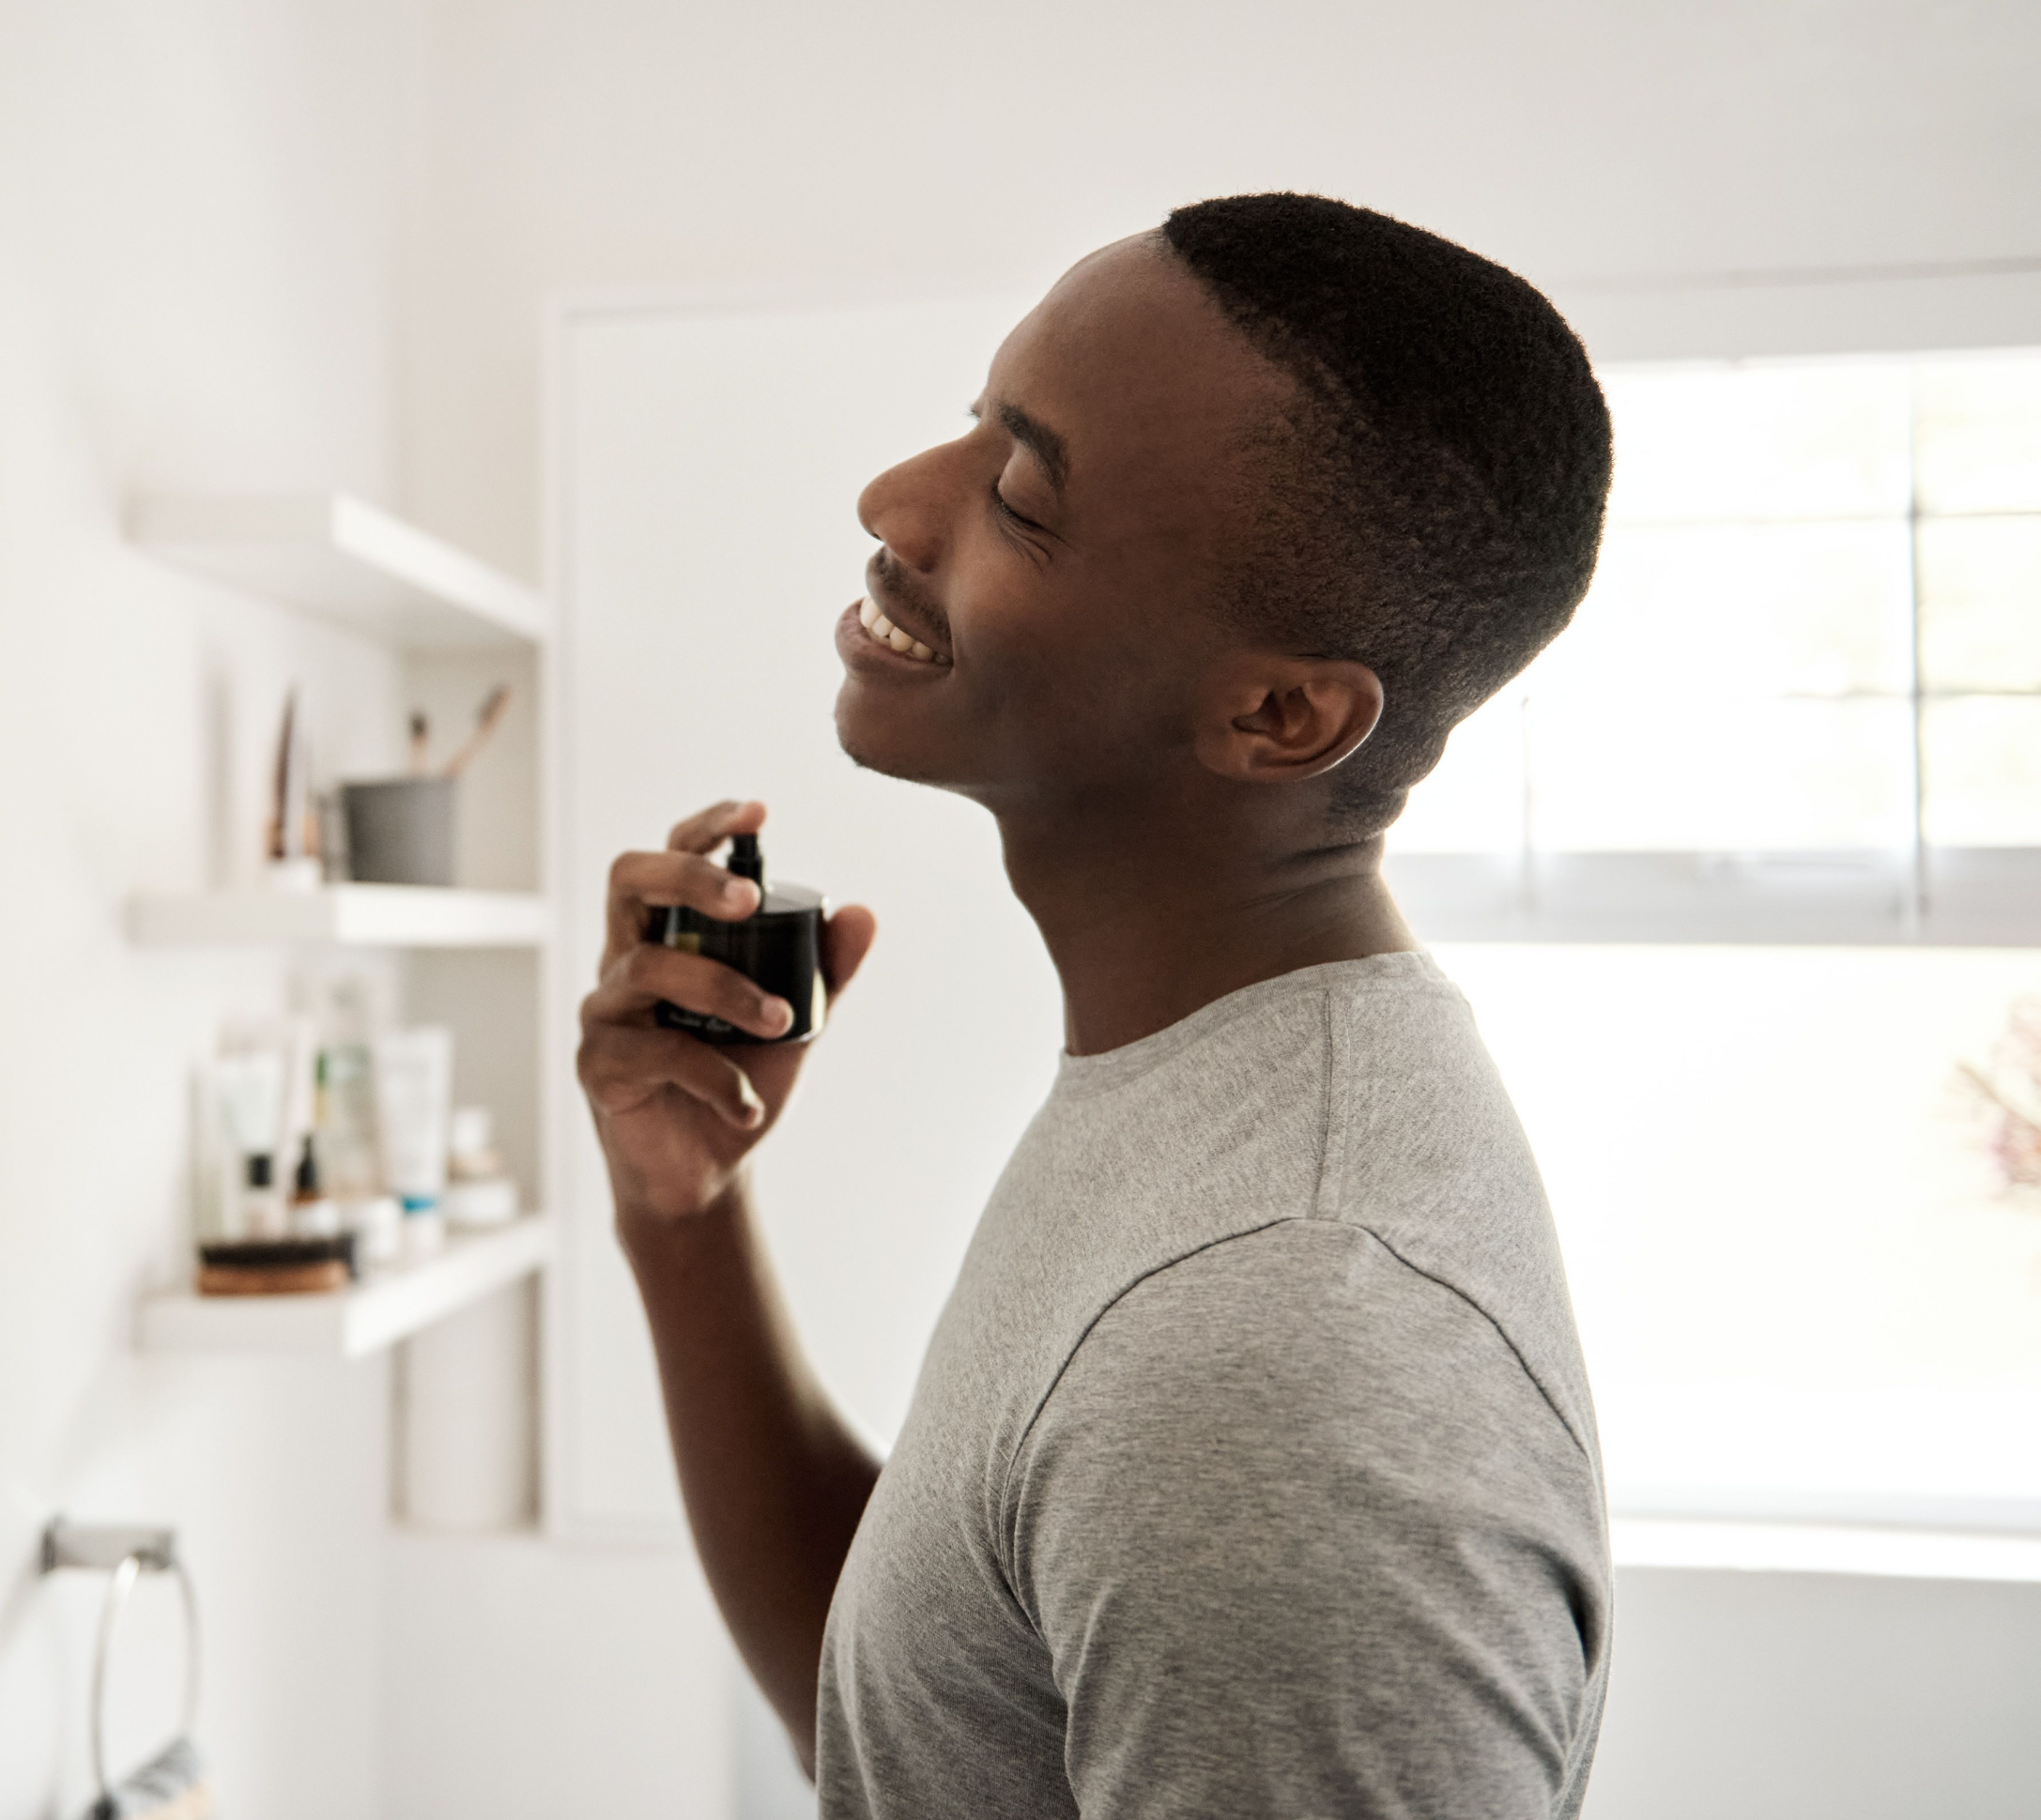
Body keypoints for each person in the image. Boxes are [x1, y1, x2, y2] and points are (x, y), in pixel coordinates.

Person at [575, 193, 1614, 1818]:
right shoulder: (1203, 1100)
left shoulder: (1285, 1361)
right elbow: (924, 1733)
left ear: (1276, 714)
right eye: (971, 419)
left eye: (1022, 497)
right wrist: (682, 1216)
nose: (897, 502)